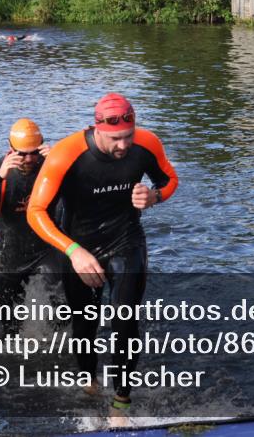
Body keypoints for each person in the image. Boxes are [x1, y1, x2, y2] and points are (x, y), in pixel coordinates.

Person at [27, 93, 179, 413]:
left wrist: (154, 197)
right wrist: (73, 251)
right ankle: (89, 383)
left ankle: (121, 403)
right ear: (97, 129)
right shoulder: (66, 154)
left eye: (128, 136)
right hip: (79, 246)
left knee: (125, 320)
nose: (123, 146)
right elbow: (35, 211)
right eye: (115, 139)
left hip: (127, 240)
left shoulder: (147, 143)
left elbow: (169, 179)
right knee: (85, 323)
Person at [0, 119, 63, 334]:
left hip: (46, 251)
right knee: (8, 325)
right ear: (10, 148)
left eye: (34, 153)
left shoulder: (51, 165)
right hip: (9, 254)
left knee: (61, 315)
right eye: (22, 154)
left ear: (42, 145)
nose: (28, 159)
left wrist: (60, 163)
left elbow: (79, 197)